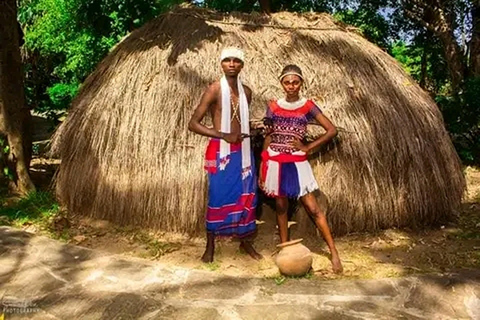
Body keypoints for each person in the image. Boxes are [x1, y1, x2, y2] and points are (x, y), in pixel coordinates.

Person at [260, 64, 343, 274]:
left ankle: (333, 252)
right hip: (275, 161)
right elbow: (269, 135)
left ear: (301, 83)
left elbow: (331, 130)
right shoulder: (273, 106)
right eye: (287, 82)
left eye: (295, 82)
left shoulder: (308, 106)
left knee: (313, 208)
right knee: (281, 207)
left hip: (297, 163)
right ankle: (285, 252)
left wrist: (307, 147)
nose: (291, 86)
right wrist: (263, 162)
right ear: (281, 84)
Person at [188, 47, 262, 263]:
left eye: (236, 60)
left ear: (242, 65)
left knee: (247, 195)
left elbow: (242, 122)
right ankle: (210, 244)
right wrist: (223, 135)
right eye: (227, 60)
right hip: (220, 152)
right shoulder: (214, 90)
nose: (232, 64)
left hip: (243, 152)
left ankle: (245, 241)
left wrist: (252, 131)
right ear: (221, 64)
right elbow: (193, 123)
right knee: (217, 196)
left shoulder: (246, 92)